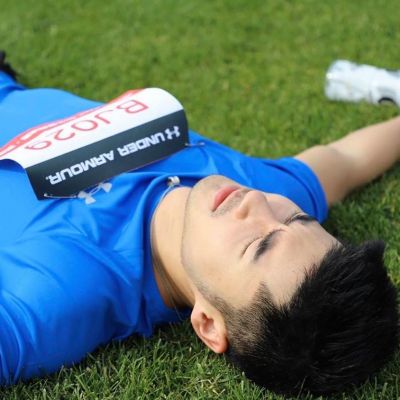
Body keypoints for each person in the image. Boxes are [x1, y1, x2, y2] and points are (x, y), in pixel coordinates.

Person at [0, 53, 398, 397]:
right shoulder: (266, 190)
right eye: (297, 218)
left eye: (256, 246)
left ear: (208, 324)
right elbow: (346, 160)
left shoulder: (62, 295)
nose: (257, 203)